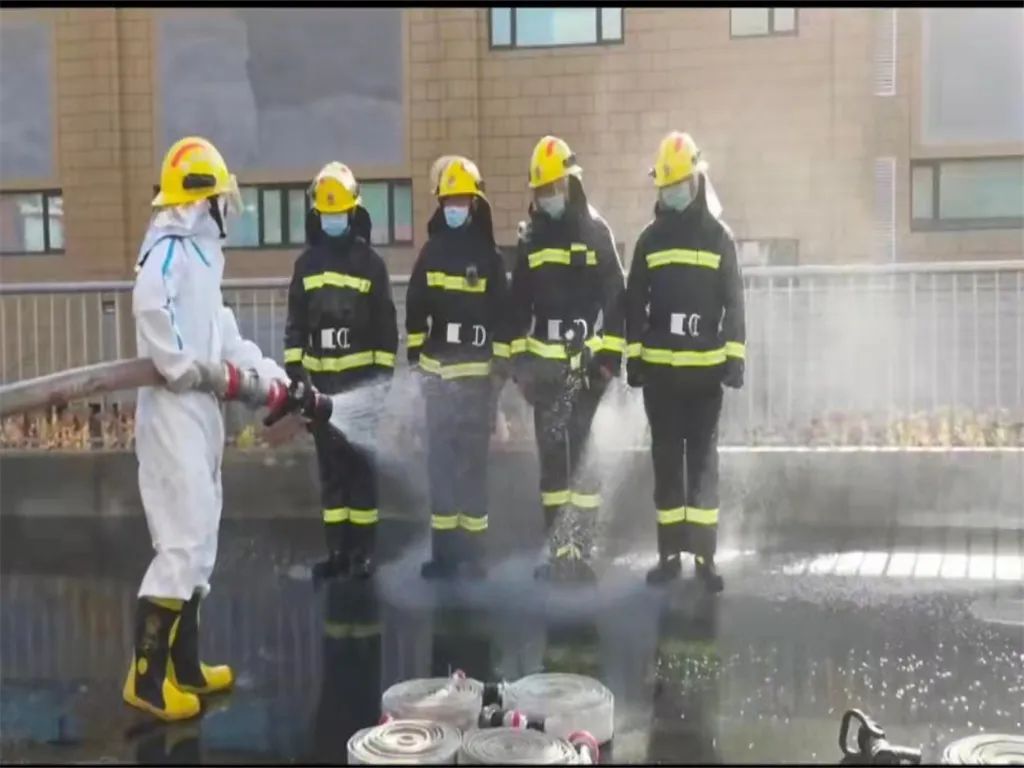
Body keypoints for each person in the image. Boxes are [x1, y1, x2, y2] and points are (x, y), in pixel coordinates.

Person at [128, 136, 288, 721]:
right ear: (201, 200)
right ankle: (146, 679)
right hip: (174, 414)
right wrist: (180, 365)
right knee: (181, 542)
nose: (228, 209)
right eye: (222, 198)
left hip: (200, 413)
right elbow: (148, 304)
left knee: (201, 540)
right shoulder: (168, 249)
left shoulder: (201, 261)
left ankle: (186, 666)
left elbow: (226, 338)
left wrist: (274, 378)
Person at [625, 131, 746, 592]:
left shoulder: (719, 238)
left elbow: (734, 302)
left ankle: (705, 558)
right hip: (660, 378)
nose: (671, 192)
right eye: (665, 185)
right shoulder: (649, 240)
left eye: (677, 183)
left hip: (704, 378)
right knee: (666, 466)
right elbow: (634, 303)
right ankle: (669, 556)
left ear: (695, 181)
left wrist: (735, 358)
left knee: (702, 466)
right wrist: (634, 357)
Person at [509, 135, 626, 581]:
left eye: (554, 187)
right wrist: (520, 367)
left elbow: (617, 301)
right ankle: (559, 553)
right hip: (544, 371)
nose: (548, 196)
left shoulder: (596, 232)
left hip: (587, 368)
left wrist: (609, 361)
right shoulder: (531, 239)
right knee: (553, 465)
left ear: (571, 183)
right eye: (541, 190)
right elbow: (517, 307)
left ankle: (583, 551)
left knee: (582, 462)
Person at [283, 162, 398, 584]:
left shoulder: (371, 265)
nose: (333, 220)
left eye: (339, 213)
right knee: (331, 475)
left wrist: (379, 385)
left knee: (361, 474)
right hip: (321, 392)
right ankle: (337, 552)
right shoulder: (305, 266)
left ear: (353, 213)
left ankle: (362, 555)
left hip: (359, 391)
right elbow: (296, 326)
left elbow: (386, 331)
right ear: (318, 215)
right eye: (327, 214)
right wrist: (297, 375)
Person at [405, 156, 511, 580]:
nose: (454, 207)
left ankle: (474, 556)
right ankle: (445, 556)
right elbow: (415, 310)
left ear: (475, 203)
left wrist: (499, 368)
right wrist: (417, 362)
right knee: (442, 471)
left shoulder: (489, 257)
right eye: (448, 201)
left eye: (461, 201)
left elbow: (503, 318)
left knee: (473, 471)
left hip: (477, 383)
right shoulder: (430, 254)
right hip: (438, 382)